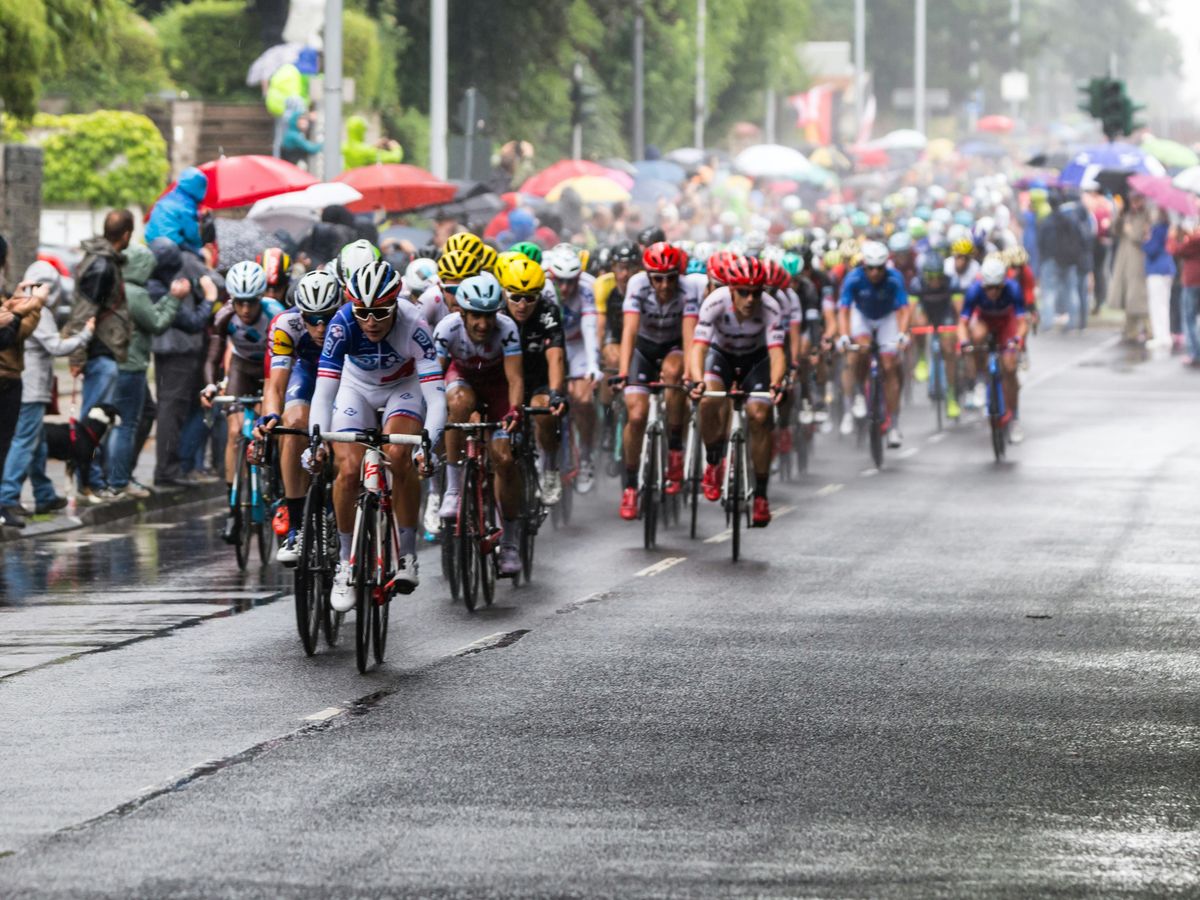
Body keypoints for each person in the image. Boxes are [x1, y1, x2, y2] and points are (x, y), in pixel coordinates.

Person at [307, 260, 445, 611]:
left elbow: (435, 397)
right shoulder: (342, 325)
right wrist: (317, 440)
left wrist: (427, 446)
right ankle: (343, 563)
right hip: (356, 389)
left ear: (395, 304)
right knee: (349, 471)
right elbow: (323, 393)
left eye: (380, 312)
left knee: (400, 456)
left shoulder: (414, 324)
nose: (370, 321)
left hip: (403, 386)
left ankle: (408, 554)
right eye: (363, 311)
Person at [434, 273, 525, 576]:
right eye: (476, 316)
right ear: (461, 312)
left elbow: (515, 378)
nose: (483, 324)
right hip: (463, 381)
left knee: (505, 460)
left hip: (497, 388)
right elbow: (434, 379)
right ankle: (454, 490)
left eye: (488, 316)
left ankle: (510, 543)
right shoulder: (447, 329)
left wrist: (513, 411)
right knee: (457, 405)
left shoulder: (508, 329)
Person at [687, 255, 786, 527]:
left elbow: (777, 353)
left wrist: (777, 384)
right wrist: (697, 380)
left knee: (759, 415)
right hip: (722, 357)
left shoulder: (771, 306)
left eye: (755, 292)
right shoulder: (715, 302)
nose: (750, 299)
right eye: (743, 292)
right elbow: (698, 348)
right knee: (708, 400)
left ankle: (762, 496)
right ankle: (713, 460)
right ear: (731, 290)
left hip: (756, 360)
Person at [254, 269, 341, 563]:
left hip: (346, 378)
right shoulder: (285, 324)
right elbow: (276, 384)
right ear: (299, 312)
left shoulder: (351, 320)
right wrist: (269, 417)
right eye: (311, 319)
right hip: (306, 374)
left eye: (326, 318)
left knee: (346, 437)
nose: (319, 327)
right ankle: (295, 526)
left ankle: (339, 511)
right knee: (292, 426)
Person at [615, 242, 700, 521]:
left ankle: (675, 448)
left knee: (675, 374)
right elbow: (629, 330)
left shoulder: (689, 289)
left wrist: (690, 373)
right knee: (637, 416)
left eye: (671, 278)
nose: (664, 285)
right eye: (658, 278)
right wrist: (624, 372)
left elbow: (690, 336)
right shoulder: (637, 284)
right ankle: (630, 485)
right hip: (644, 347)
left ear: (679, 275)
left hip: (673, 346)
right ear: (649, 275)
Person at [200, 261, 285, 541]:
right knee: (235, 432)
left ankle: (276, 481)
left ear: (261, 298)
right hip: (240, 368)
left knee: (270, 426)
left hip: (270, 370)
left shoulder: (276, 314)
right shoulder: (225, 315)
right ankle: (233, 510)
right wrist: (211, 385)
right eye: (240, 303)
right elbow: (213, 357)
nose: (246, 310)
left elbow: (286, 360)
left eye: (251, 303)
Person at [0, 266, 91, 527]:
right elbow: (53, 345)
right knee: (23, 442)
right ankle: (7, 496)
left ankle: (44, 494)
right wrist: (84, 335)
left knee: (36, 444)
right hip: (29, 386)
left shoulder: (24, 307)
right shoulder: (36, 311)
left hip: (31, 385)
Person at [65, 209, 135, 503]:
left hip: (101, 351)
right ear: (127, 235)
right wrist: (77, 355)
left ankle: (91, 480)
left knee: (93, 421)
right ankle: (89, 482)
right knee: (92, 424)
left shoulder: (102, 260)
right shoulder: (102, 265)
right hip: (99, 352)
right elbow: (85, 313)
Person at [107, 246, 184, 499]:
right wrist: (174, 299)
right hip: (132, 365)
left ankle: (113, 475)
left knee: (120, 420)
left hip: (116, 363)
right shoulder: (136, 293)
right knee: (127, 424)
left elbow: (148, 316)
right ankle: (119, 479)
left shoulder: (118, 288)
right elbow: (157, 323)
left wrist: (167, 298)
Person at [499, 255, 568, 505]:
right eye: (515, 296)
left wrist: (556, 393)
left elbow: (556, 357)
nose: (522, 304)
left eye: (530, 297)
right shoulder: (495, 312)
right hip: (506, 381)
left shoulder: (548, 312)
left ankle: (550, 468)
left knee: (544, 411)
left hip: (539, 377)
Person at [149, 239, 218, 487]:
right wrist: (209, 298)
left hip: (167, 349)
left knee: (172, 409)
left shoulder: (157, 278)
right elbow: (192, 322)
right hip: (179, 350)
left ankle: (171, 467)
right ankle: (168, 469)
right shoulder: (183, 267)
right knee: (172, 410)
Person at [837, 241, 910, 448]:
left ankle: (894, 425)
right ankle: (859, 393)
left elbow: (905, 309)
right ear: (864, 266)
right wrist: (843, 335)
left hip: (886, 317)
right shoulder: (853, 279)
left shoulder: (895, 278)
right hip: (863, 316)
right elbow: (843, 309)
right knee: (862, 348)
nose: (876, 273)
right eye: (871, 268)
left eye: (880, 268)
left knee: (889, 365)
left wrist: (903, 334)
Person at [543, 243, 600, 493]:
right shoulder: (543, 285)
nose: (565, 288)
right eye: (560, 281)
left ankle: (586, 456)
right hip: (549, 344)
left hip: (575, 344)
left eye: (570, 281)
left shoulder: (587, 288)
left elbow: (590, 329)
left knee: (584, 399)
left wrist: (593, 365)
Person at [958, 256, 1029, 444]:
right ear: (983, 285)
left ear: (1003, 283)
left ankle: (1014, 419)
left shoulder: (1013, 289)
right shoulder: (974, 290)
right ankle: (982, 378)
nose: (993, 292)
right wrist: (964, 342)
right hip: (985, 321)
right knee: (977, 337)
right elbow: (962, 324)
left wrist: (1017, 340)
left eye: (997, 287)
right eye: (989, 287)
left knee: (1009, 367)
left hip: (1007, 323)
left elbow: (1022, 322)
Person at [0, 280, 49, 524]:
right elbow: (10, 334)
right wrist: (35, 305)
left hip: (11, 380)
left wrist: (19, 305)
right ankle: (6, 499)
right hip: (6, 378)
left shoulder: (5, 300)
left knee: (9, 444)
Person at [1108, 191, 1152, 344]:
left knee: (1137, 295)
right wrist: (1119, 216)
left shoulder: (1147, 216)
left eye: (1137, 200)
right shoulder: (1128, 214)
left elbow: (1141, 237)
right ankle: (1130, 327)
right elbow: (1114, 231)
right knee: (1126, 293)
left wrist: (1129, 230)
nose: (1134, 204)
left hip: (1138, 259)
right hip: (1124, 258)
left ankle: (1148, 327)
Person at [145, 168, 208, 255]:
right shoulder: (187, 205)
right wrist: (200, 249)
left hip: (152, 243)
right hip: (171, 244)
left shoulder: (169, 197)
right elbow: (192, 234)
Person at [1167, 220, 1200, 365]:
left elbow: (1175, 250)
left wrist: (1173, 237)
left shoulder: (1194, 239)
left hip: (1192, 281)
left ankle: (1195, 353)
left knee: (1189, 318)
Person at [1143, 207, 1176, 350]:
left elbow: (1150, 250)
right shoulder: (1169, 229)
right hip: (1167, 268)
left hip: (1157, 269)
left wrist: (1146, 239)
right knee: (1164, 305)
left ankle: (1159, 336)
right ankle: (1165, 335)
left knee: (1156, 305)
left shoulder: (1157, 230)